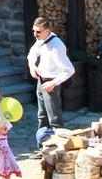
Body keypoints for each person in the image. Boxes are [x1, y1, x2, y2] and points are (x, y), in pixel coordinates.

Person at [27, 16, 74, 146]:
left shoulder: (56, 46)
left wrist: (53, 83)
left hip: (51, 82)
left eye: (38, 32)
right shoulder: (41, 40)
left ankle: (59, 148)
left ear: (47, 31)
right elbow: (32, 53)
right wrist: (32, 66)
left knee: (55, 119)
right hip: (41, 80)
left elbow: (69, 70)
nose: (35, 34)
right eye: (34, 31)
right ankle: (42, 146)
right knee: (42, 116)